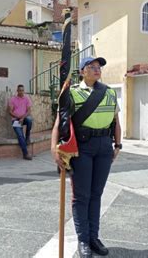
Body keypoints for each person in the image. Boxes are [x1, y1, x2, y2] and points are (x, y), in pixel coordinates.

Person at [51, 56, 121, 258]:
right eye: (92, 67)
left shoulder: (109, 92)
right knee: (82, 196)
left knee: (96, 194)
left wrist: (118, 144)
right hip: (81, 147)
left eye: (99, 67)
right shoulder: (71, 92)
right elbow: (59, 122)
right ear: (82, 71)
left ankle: (93, 237)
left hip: (104, 147)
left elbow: (115, 121)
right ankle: (83, 240)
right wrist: (55, 148)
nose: (97, 70)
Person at [7, 84, 33, 160]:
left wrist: (22, 117)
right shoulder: (13, 99)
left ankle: (27, 136)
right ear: (17, 91)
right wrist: (18, 118)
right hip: (15, 120)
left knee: (29, 120)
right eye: (20, 90)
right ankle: (25, 153)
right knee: (20, 136)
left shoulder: (27, 98)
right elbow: (10, 111)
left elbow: (29, 111)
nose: (21, 92)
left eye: (22, 90)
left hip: (24, 118)